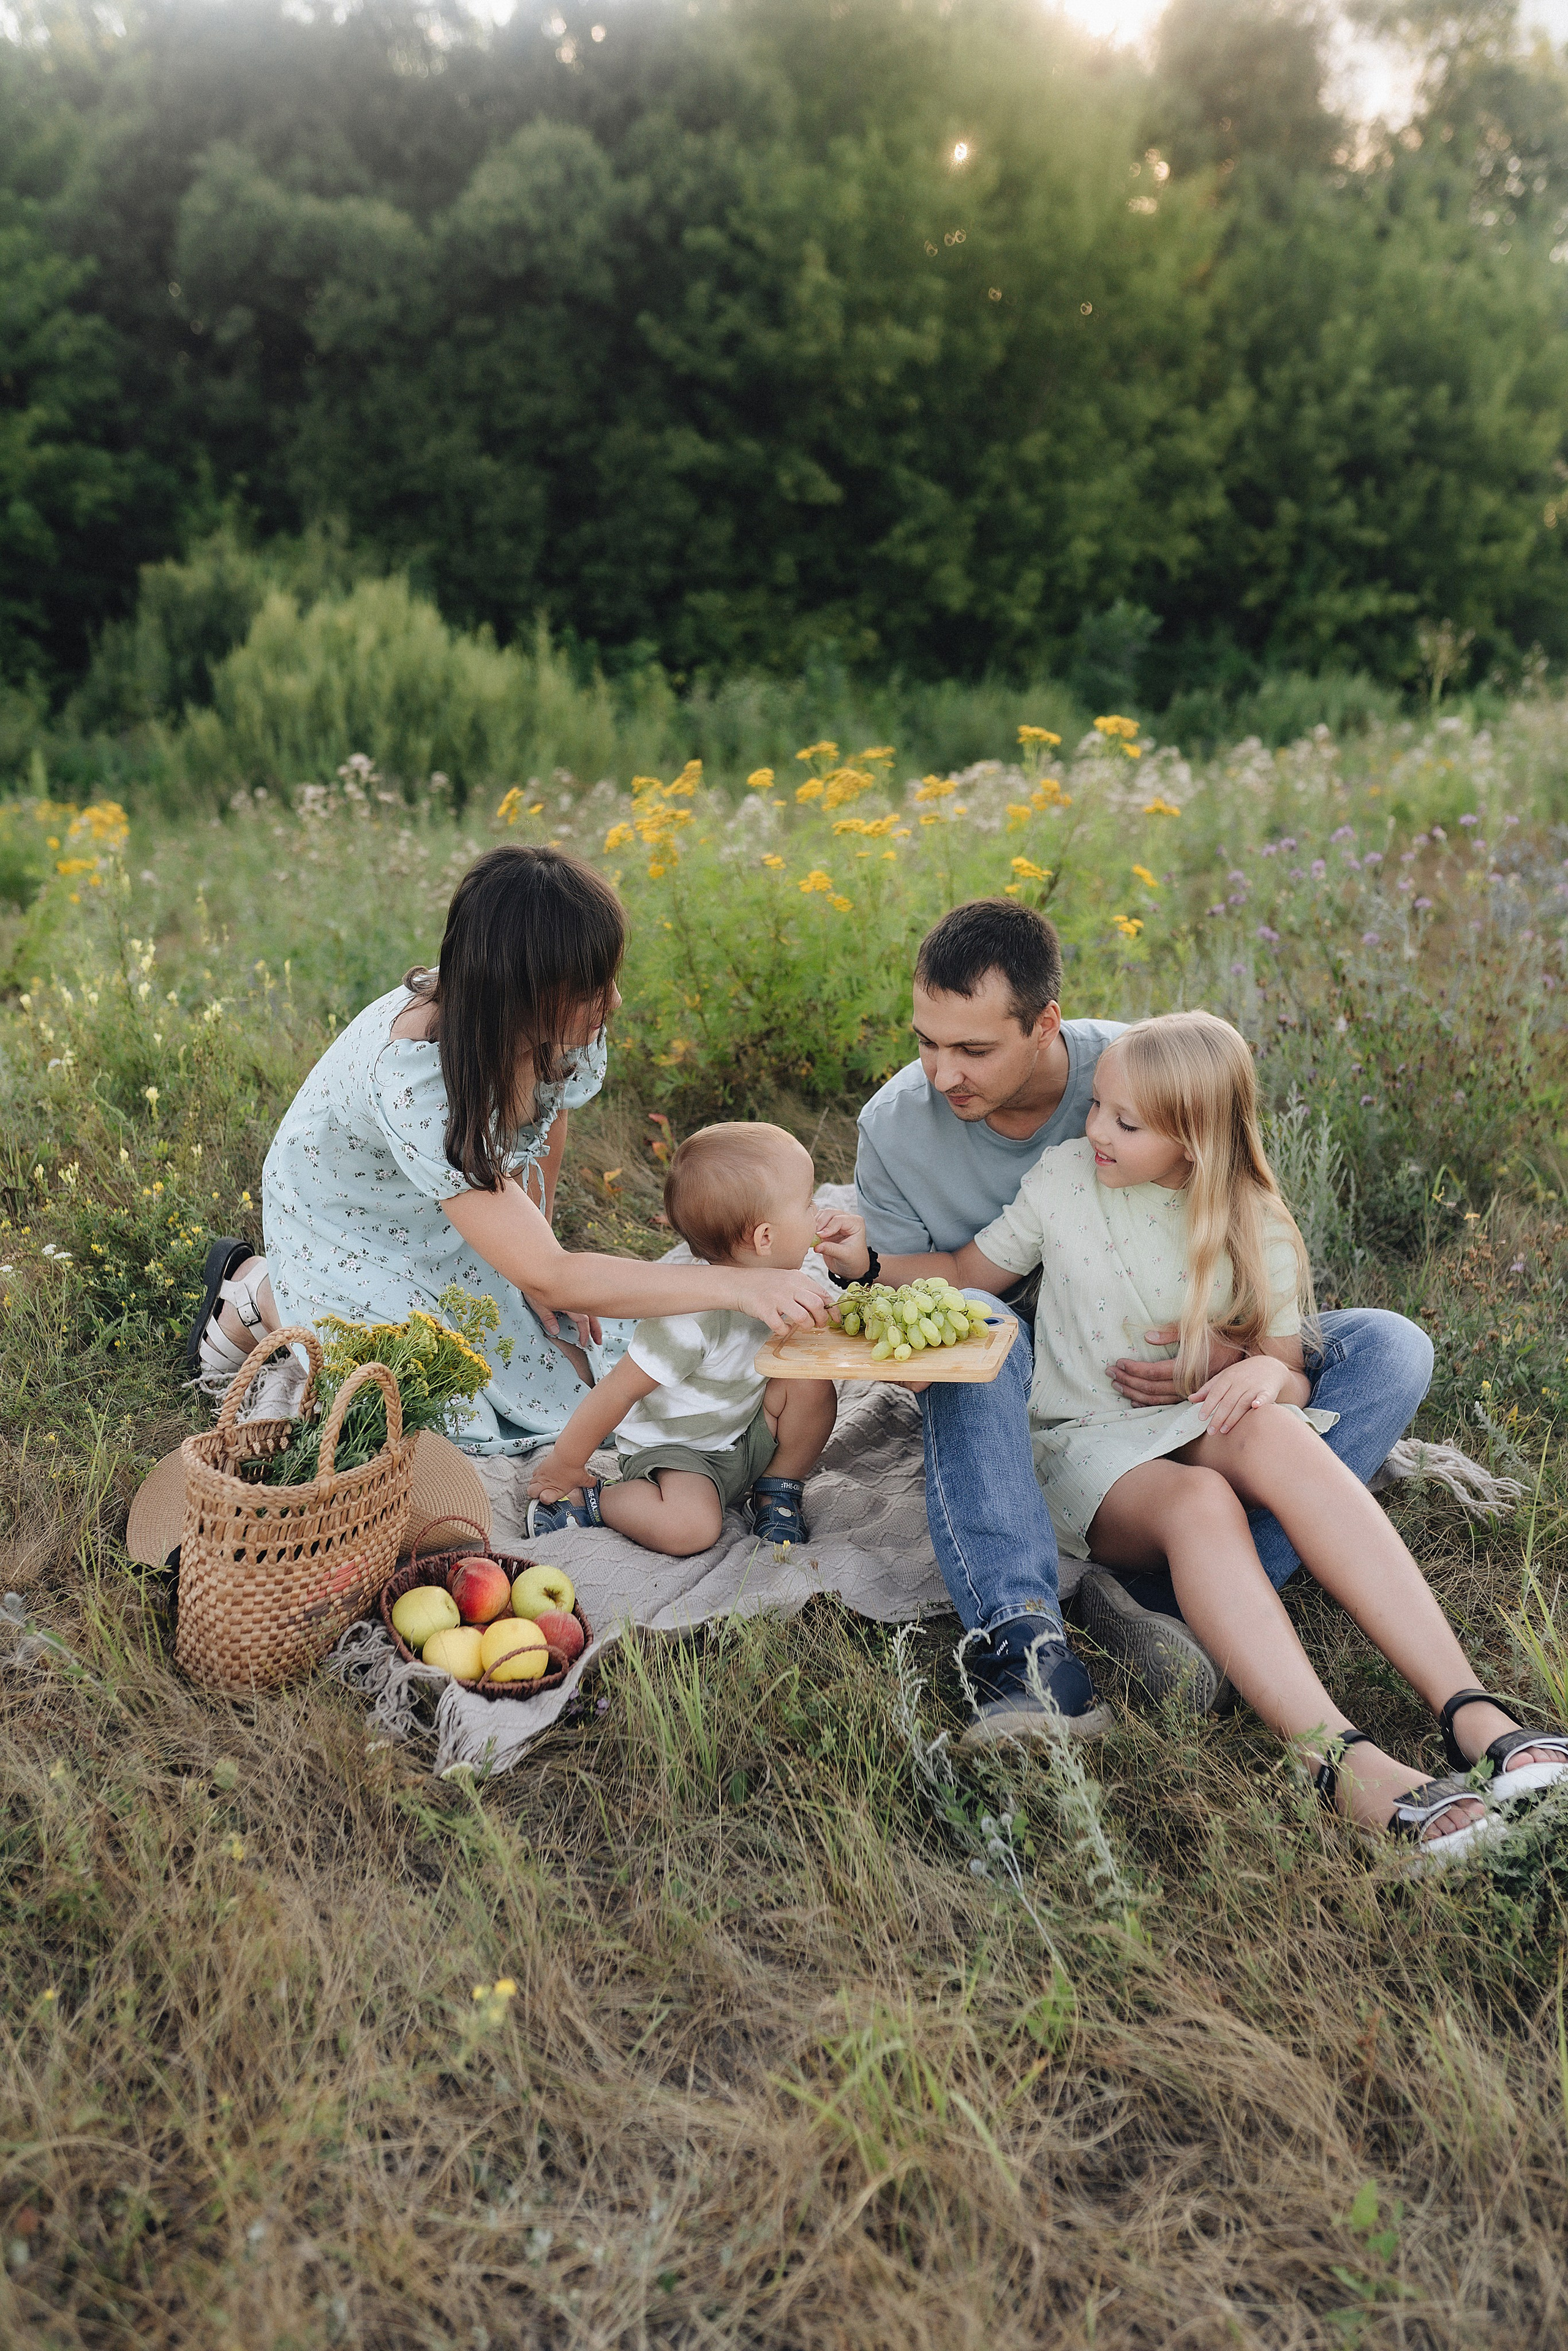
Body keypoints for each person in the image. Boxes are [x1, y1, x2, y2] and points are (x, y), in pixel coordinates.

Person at [888, 1009, 1568, 1857]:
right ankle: (1337, 1758)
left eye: (1125, 1122)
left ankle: (1470, 1709)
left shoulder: (1253, 1219)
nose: (1095, 1128)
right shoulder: (1064, 1180)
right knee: (1203, 1498)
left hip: (1190, 1415)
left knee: (1280, 1432)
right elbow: (963, 1275)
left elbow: (1285, 1368)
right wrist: (855, 1262)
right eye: (1098, 1107)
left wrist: (1259, 1373)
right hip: (1085, 1439)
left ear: (1197, 1139)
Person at [852, 897, 1436, 1745]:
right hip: (1023, 1371)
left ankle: (1185, 1604)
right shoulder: (894, 1129)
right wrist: (859, 1265)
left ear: (1044, 1023)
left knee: (1390, 1345)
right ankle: (1024, 1640)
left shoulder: (1135, 1069)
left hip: (1162, 1344)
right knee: (981, 1320)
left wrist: (1236, 1351)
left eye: (974, 1048)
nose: (944, 1075)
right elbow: (937, 1298)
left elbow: (1231, 1222)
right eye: (925, 1042)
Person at [186, 846, 831, 1447]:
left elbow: (547, 1123)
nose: (613, 1001)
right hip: (347, 1219)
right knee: (442, 1419)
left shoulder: (547, 1017)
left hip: (454, 1198)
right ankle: (263, 1293)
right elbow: (548, 1269)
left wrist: (537, 1249)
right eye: (591, 991)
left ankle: (297, 1307)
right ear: (521, 996)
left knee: (575, 1364)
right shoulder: (416, 1078)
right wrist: (733, 1287)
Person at [526, 1123, 846, 1553]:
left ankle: (775, 1490)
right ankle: (598, 1501)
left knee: (812, 1386)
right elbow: (616, 1393)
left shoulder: (788, 1280)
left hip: (742, 1428)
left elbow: (837, 1318)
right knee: (690, 1529)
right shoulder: (689, 1320)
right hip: (680, 1453)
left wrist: (858, 1272)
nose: (818, 1210)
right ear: (765, 1237)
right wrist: (564, 1464)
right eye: (808, 1203)